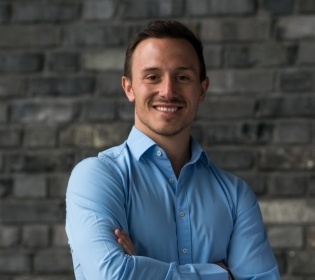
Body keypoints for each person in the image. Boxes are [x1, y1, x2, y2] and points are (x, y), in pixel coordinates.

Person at [65, 20, 280, 279]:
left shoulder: (236, 197)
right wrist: (220, 275)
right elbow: (113, 275)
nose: (168, 91)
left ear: (201, 89)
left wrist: (140, 269)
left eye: (182, 77)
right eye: (152, 77)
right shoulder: (96, 177)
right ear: (129, 87)